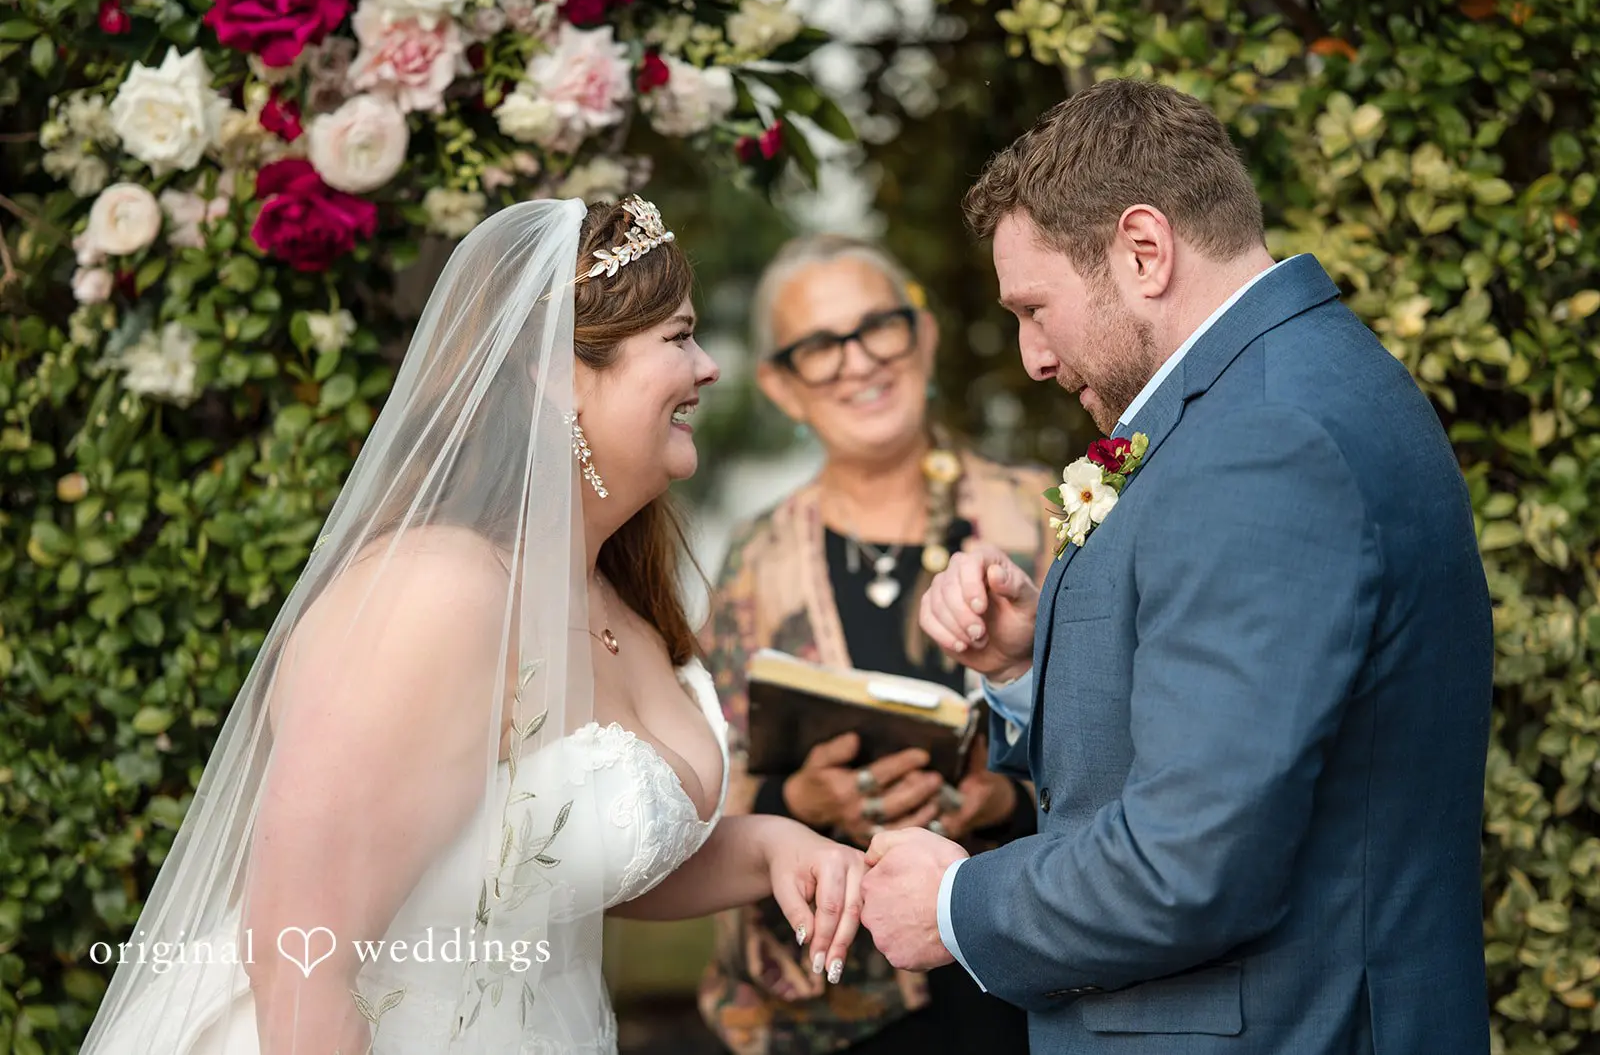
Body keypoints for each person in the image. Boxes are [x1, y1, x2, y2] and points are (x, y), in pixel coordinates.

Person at [80, 196, 871, 1055]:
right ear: (558, 373)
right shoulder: (439, 594)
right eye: (678, 338)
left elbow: (548, 865)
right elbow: (296, 951)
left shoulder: (610, 596)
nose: (709, 366)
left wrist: (769, 850)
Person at [861, 79, 1494, 1054]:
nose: (1031, 355)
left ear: (1143, 251)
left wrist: (952, 905)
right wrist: (1031, 665)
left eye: (1036, 308)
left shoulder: (1266, 439)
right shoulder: (1268, 387)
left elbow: (1188, 863)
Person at [696, 234, 1044, 1055]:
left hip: (1027, 986)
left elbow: (1126, 747)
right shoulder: (753, 561)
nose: (857, 363)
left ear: (920, 335)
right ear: (781, 385)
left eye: (877, 328)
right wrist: (806, 807)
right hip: (836, 1010)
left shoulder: (1045, 516)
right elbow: (709, 794)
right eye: (818, 347)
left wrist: (1008, 799)